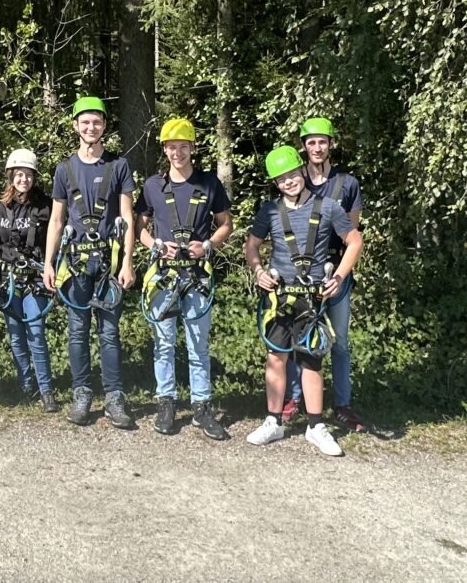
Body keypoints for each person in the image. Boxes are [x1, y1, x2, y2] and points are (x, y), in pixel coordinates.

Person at [243, 145, 362, 457]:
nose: (289, 182)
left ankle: (315, 425)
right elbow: (252, 246)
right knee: (276, 358)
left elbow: (354, 240)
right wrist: (258, 271)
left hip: (310, 298)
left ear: (302, 171)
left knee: (311, 360)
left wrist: (338, 276)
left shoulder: (329, 207)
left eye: (293, 175)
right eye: (281, 179)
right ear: (275, 183)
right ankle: (273, 421)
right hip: (279, 297)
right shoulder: (269, 210)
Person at [135, 118, 233, 439]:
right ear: (164, 149)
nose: (177, 152)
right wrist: (156, 245)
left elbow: (225, 225)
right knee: (163, 344)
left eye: (183, 146)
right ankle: (167, 402)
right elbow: (140, 229)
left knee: (197, 345)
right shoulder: (152, 186)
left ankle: (201, 406)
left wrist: (207, 245)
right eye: (171, 147)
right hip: (163, 276)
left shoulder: (209, 184)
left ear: (192, 148)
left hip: (197, 276)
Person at [42, 96, 137, 428]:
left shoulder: (119, 166)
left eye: (96, 122)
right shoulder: (64, 169)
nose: (91, 127)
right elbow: (56, 221)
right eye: (85, 122)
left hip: (108, 264)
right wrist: (48, 263)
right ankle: (82, 393)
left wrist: (127, 262)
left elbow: (127, 217)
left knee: (109, 333)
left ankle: (114, 397)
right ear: (75, 126)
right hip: (77, 264)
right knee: (77, 332)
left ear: (104, 126)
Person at [283, 117, 366, 431]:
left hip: (335, 272)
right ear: (303, 146)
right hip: (301, 274)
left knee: (340, 342)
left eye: (322, 141)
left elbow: (352, 235)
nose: (317, 147)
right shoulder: (293, 178)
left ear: (331, 144)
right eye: (311, 142)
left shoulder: (347, 184)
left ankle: (342, 405)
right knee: (296, 338)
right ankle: (292, 400)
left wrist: (340, 276)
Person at [0, 148, 58, 412]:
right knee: (16, 336)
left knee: (36, 332)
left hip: (34, 278)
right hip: (8, 279)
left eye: (28, 175)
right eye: (19, 175)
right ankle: (25, 384)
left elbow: (54, 237)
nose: (24, 180)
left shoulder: (44, 206)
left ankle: (46, 389)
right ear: (10, 176)